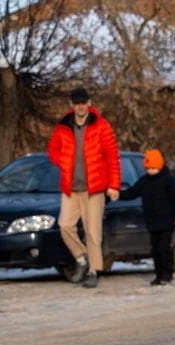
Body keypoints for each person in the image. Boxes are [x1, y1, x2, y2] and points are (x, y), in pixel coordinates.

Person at [47, 87, 121, 288]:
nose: (80, 106)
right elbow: (52, 149)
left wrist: (113, 185)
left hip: (94, 189)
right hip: (71, 189)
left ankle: (93, 271)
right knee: (64, 225)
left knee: (92, 231)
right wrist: (62, 161)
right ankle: (81, 257)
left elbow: (112, 157)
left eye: (83, 102)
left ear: (89, 103)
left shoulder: (101, 126)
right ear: (71, 105)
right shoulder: (63, 126)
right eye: (76, 102)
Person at [119, 149, 175, 286]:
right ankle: (158, 275)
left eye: (153, 168)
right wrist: (117, 195)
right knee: (155, 249)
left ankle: (167, 274)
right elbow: (132, 193)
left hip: (167, 221)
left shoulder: (168, 180)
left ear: (159, 166)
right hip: (152, 221)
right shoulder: (144, 182)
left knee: (163, 248)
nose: (150, 171)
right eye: (148, 168)